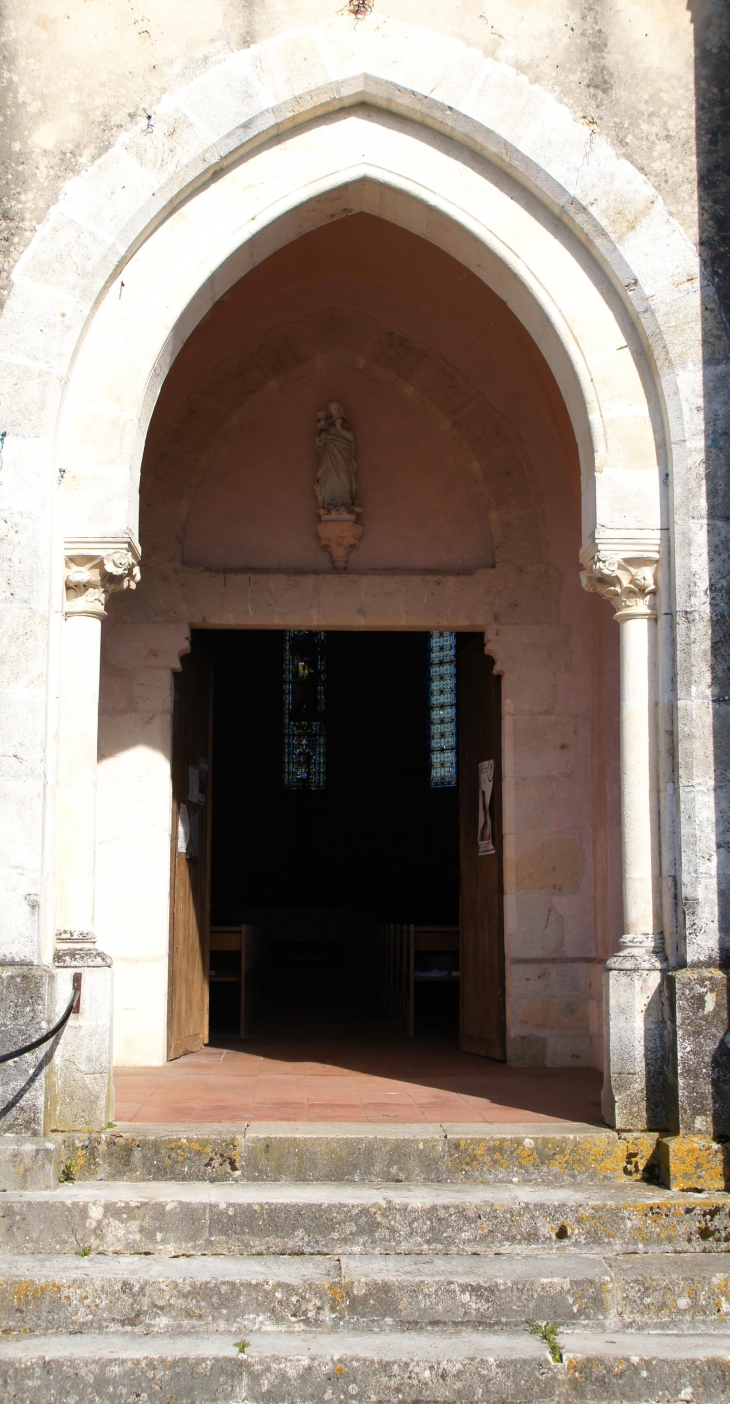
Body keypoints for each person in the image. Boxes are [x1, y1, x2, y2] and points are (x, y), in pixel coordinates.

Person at [315, 401, 358, 511]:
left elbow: (350, 438)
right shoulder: (328, 424)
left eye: (335, 406)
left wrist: (340, 428)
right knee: (330, 477)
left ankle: (346, 504)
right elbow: (322, 437)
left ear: (339, 408)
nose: (333, 408)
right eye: (331, 407)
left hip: (341, 453)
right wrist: (320, 442)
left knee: (343, 475)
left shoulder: (344, 423)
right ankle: (330, 504)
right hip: (330, 454)